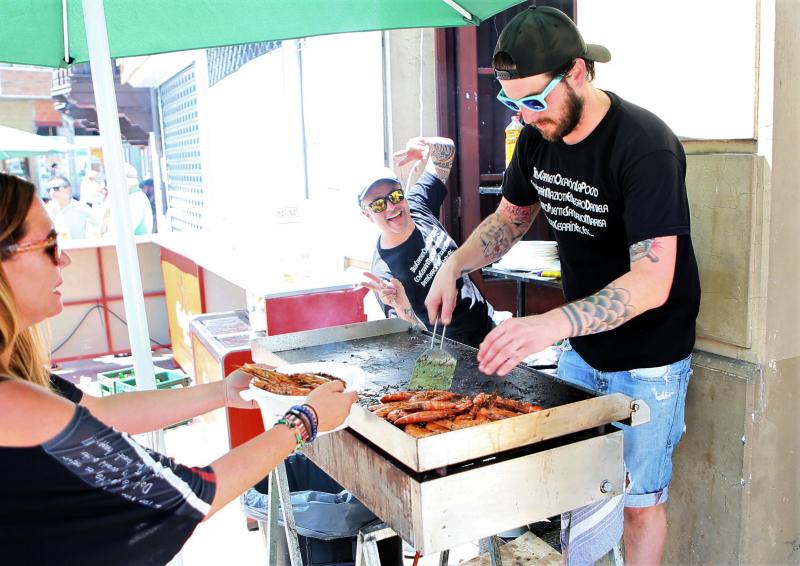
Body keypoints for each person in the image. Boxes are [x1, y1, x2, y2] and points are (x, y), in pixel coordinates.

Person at [425, 7, 700, 565]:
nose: (525, 117)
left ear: (577, 72)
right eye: (512, 103)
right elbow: (511, 219)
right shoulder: (535, 139)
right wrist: (454, 264)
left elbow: (652, 280)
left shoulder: (645, 145)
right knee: (574, 493)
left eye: (533, 100)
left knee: (637, 500)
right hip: (582, 351)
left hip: (649, 361)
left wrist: (550, 323)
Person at [0, 173, 357, 564]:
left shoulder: (24, 384)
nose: (64, 258)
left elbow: (98, 414)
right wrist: (304, 421)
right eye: (50, 244)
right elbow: (185, 496)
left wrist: (220, 393)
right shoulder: (11, 403)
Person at [357, 137, 495, 349]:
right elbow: (412, 339)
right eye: (378, 205)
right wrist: (402, 308)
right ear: (367, 215)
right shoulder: (385, 271)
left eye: (395, 195)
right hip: (447, 354)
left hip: (489, 326)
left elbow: (446, 152)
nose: (391, 206)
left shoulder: (418, 205)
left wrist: (427, 144)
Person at [44, 175, 96, 239]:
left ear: (69, 189)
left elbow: (98, 230)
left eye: (56, 188)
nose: (52, 192)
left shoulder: (82, 208)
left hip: (77, 247)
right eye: (49, 190)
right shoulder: (45, 211)